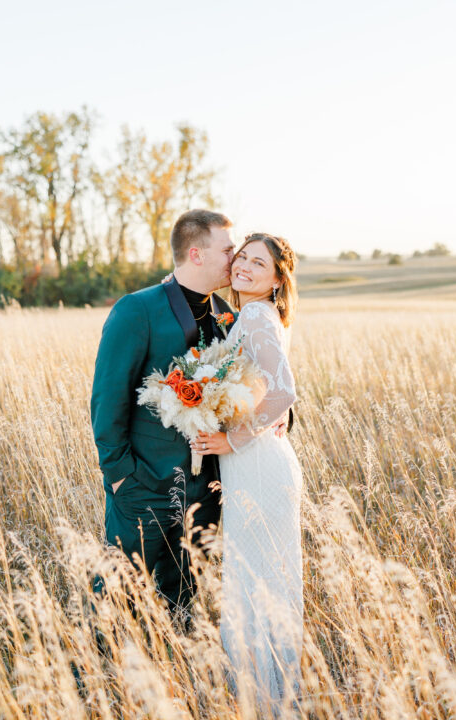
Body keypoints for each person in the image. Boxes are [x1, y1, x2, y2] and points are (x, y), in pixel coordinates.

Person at [90, 209, 236, 619]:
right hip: (144, 485)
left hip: (206, 489)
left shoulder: (229, 316)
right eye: (227, 249)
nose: (235, 257)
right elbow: (107, 397)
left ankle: (175, 673)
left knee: (184, 599)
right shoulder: (137, 309)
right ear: (196, 253)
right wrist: (120, 474)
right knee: (117, 596)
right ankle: (103, 675)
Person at [192, 233, 303, 711]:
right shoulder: (252, 316)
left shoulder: (256, 316)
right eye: (242, 257)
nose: (245, 267)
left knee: (257, 581)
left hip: (257, 464)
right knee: (259, 579)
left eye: (260, 263)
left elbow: (284, 392)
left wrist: (231, 438)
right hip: (256, 463)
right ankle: (264, 695)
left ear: (278, 280)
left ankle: (265, 699)